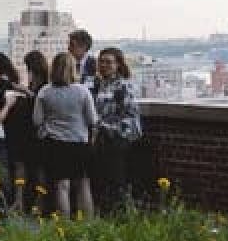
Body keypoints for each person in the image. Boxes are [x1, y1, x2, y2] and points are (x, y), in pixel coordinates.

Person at [33, 51, 98, 219]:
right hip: (79, 143)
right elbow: (92, 120)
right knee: (83, 184)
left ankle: (64, 226)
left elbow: (37, 120)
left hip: (55, 144)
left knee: (61, 185)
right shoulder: (82, 92)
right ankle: (87, 225)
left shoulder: (45, 92)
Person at [91, 48, 142, 214]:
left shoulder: (124, 86)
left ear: (118, 65)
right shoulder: (98, 84)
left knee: (117, 182)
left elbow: (130, 117)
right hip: (101, 140)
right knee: (102, 181)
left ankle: (119, 216)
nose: (104, 65)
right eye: (101, 61)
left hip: (118, 141)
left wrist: (104, 126)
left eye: (108, 62)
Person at [8, 51, 46, 213]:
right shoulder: (37, 82)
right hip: (29, 131)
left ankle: (37, 201)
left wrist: (24, 91)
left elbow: (39, 100)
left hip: (34, 131)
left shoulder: (43, 84)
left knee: (37, 168)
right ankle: (25, 201)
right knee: (31, 167)